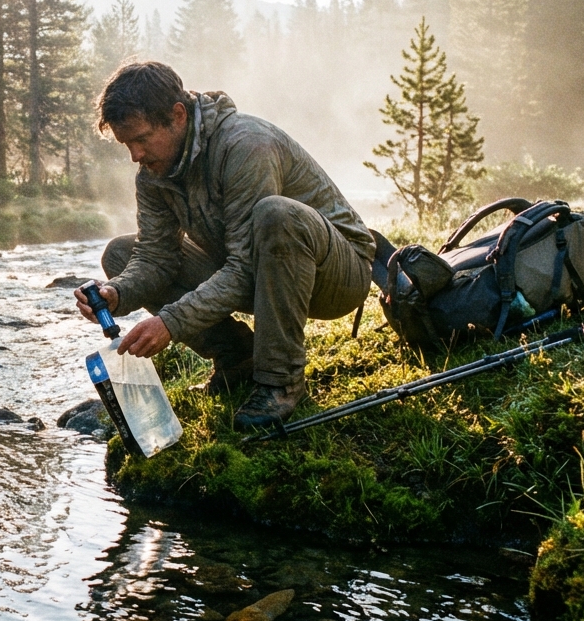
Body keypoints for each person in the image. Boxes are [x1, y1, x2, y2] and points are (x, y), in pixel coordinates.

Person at [74, 62, 375, 429]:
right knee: (120, 254)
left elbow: (245, 265)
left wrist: (170, 322)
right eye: (127, 145)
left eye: (142, 139)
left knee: (275, 215)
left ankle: (281, 381)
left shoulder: (246, 145)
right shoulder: (153, 175)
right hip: (258, 272)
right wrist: (117, 294)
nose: (135, 155)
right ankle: (237, 359)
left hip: (337, 276)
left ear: (178, 115)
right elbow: (155, 256)